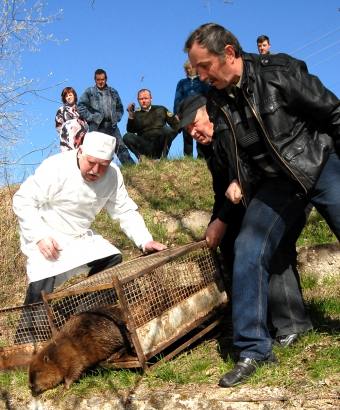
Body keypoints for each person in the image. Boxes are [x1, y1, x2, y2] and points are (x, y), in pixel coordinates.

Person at [184, 22, 340, 387]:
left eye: (204, 66)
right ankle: (254, 349)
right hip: (273, 185)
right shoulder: (216, 103)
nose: (201, 75)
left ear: (229, 53)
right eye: (196, 69)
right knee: (248, 249)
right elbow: (229, 160)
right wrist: (236, 186)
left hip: (316, 163)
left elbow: (333, 113)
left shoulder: (279, 73)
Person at [177, 94, 312, 346]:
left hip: (285, 188)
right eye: (187, 129)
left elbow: (253, 169)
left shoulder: (231, 128)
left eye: (195, 123)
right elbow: (222, 190)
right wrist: (217, 221)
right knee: (231, 243)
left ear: (208, 114)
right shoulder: (209, 146)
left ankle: (292, 325)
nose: (193, 132)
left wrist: (228, 207)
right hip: (248, 198)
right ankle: (252, 320)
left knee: (272, 242)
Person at [12, 131, 166, 306]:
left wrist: (145, 241)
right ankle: (32, 330)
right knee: (39, 292)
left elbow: (124, 210)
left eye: (104, 165)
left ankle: (80, 312)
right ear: (80, 151)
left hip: (79, 237)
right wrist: (39, 236)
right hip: (48, 235)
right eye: (91, 162)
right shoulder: (56, 167)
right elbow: (23, 199)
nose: (96, 171)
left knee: (112, 258)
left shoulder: (113, 176)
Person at [78, 69, 134, 165]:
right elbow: (80, 106)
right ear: (95, 80)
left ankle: (131, 168)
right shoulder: (89, 91)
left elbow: (120, 108)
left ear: (106, 79)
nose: (100, 82)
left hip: (112, 125)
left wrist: (116, 118)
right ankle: (95, 172)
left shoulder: (113, 92)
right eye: (98, 79)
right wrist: (92, 117)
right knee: (96, 150)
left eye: (103, 79)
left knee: (121, 147)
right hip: (96, 125)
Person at [123, 89, 179, 160]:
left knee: (167, 129)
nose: (143, 101)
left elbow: (175, 124)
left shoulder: (161, 109)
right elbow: (130, 131)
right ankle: (143, 159)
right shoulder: (136, 113)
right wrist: (131, 115)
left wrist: (170, 138)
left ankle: (163, 158)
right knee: (126, 137)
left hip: (160, 143)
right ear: (138, 100)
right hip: (145, 145)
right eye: (141, 99)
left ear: (151, 98)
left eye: (146, 98)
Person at [173, 60, 209, 157]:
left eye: (191, 67)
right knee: (187, 133)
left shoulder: (203, 81)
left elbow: (208, 94)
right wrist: (176, 112)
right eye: (187, 68)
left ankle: (201, 156)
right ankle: (187, 156)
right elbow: (177, 97)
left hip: (201, 111)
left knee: (200, 131)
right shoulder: (182, 83)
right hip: (186, 110)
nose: (189, 70)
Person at [55, 86, 88, 151]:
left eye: (70, 95)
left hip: (82, 139)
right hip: (68, 140)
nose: (68, 97)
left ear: (74, 96)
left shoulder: (81, 109)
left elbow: (87, 124)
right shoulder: (61, 110)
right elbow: (59, 126)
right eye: (66, 96)